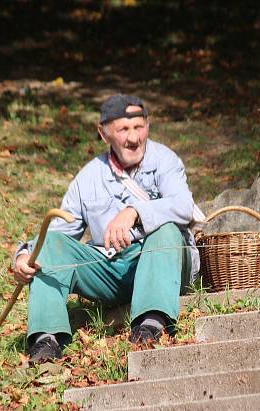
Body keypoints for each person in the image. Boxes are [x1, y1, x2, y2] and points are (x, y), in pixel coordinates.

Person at [11, 94, 201, 365]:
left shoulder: (165, 160)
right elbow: (61, 232)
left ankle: (151, 323)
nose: (134, 138)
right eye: (124, 129)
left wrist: (135, 212)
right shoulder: (89, 177)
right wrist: (23, 257)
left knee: (167, 229)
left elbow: (183, 205)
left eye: (139, 127)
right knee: (52, 243)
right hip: (111, 271)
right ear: (104, 133)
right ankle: (47, 339)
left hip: (162, 263)